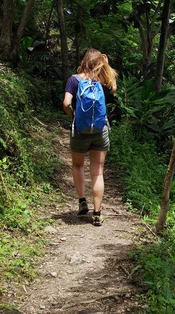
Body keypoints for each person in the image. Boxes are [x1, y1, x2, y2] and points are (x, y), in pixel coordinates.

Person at [63, 49, 117, 226]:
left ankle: (81, 202)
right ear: (99, 62)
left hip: (80, 130)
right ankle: (97, 213)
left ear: (84, 61)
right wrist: (107, 65)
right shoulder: (104, 82)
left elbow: (66, 103)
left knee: (78, 165)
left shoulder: (74, 80)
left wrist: (73, 116)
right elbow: (114, 89)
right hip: (100, 131)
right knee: (98, 171)